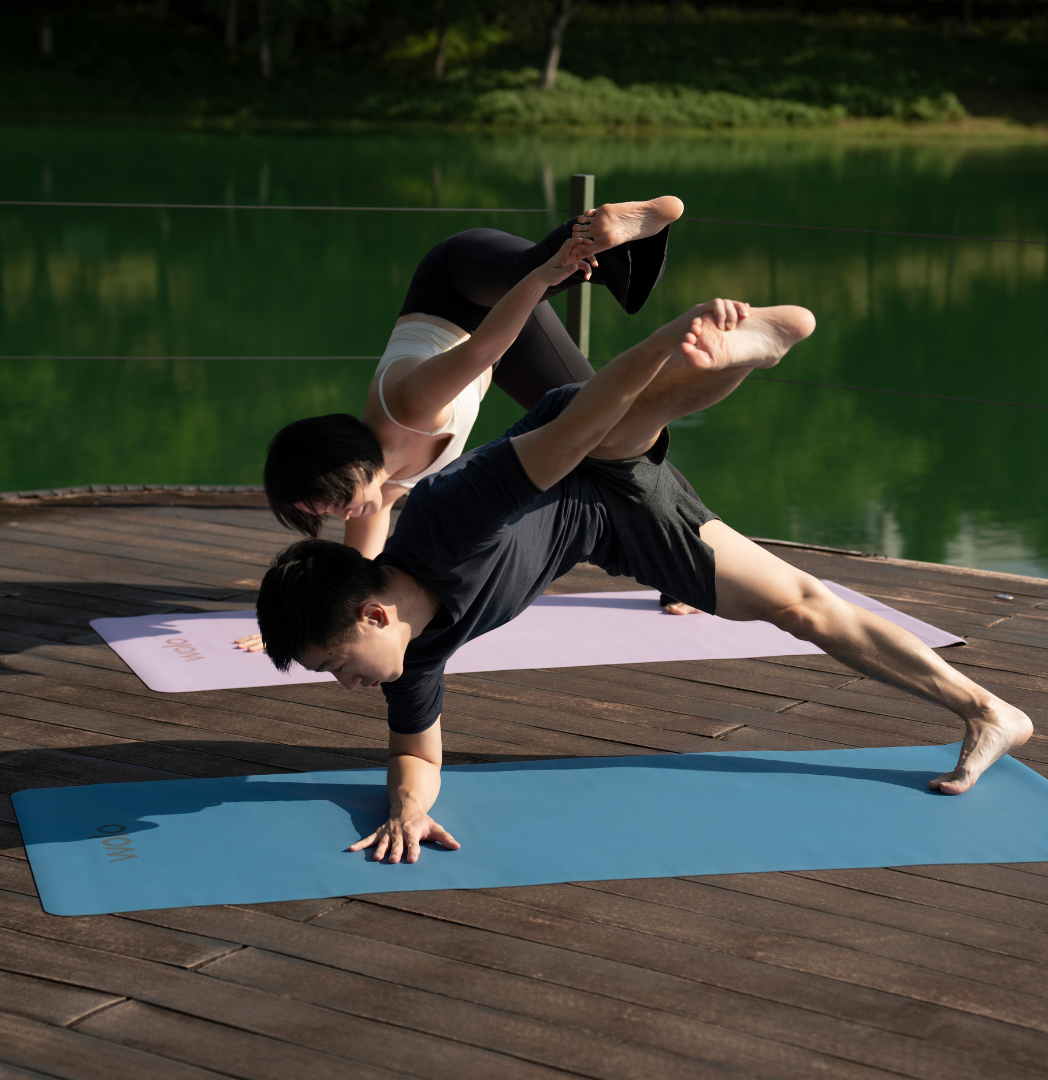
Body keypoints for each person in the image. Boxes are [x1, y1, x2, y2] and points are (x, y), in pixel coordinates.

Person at [255, 301, 1034, 865]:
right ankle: (728, 357)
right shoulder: (408, 658)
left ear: (373, 611)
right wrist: (405, 812)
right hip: (608, 527)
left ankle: (734, 349)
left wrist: (666, 337)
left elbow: (582, 423)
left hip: (576, 449)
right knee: (768, 580)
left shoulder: (447, 515)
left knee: (637, 450)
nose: (346, 683)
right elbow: (418, 759)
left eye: (335, 662)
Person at [243, 197, 755, 646]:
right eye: (327, 513)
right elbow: (364, 581)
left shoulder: (405, 405)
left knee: (538, 268)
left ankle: (607, 225)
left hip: (458, 288)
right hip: (498, 344)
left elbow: (485, 346)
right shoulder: (377, 493)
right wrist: (292, 629)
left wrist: (552, 270)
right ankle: (691, 569)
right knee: (614, 431)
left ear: (343, 465)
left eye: (333, 500)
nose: (341, 516)